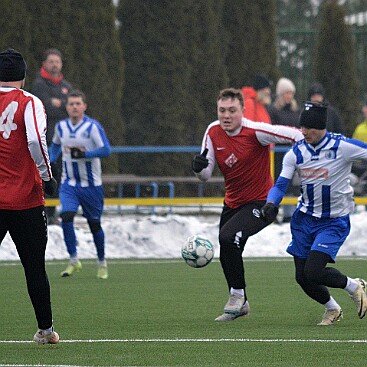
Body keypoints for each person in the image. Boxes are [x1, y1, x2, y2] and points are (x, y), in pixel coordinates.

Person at [191, 88, 303, 321]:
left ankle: (238, 296)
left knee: (227, 238)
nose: (226, 116)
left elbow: (295, 135)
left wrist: (311, 150)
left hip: (262, 202)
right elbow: (205, 174)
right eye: (222, 110)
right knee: (228, 251)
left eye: (232, 110)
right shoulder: (212, 131)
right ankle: (241, 304)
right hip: (232, 202)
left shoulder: (257, 132)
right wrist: (199, 167)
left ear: (242, 111)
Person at [261, 101, 367, 326]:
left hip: (333, 222)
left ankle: (354, 287)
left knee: (313, 271)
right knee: (302, 277)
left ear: (322, 127)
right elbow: (280, 184)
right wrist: (271, 203)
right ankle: (332, 309)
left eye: (310, 128)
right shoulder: (297, 152)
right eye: (302, 127)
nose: (304, 132)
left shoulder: (342, 147)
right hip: (304, 220)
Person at [0, 48, 59, 343]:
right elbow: (36, 139)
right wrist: (47, 177)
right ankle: (46, 330)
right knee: (34, 266)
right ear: (22, 77)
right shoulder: (29, 102)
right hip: (25, 199)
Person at [49, 90, 111, 279]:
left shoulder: (92, 127)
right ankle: (74, 260)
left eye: (78, 104)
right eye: (71, 104)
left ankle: (101, 262)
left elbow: (106, 149)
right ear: (66, 107)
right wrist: (51, 161)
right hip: (69, 184)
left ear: (84, 106)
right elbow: (55, 145)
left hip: (91, 186)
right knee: (66, 216)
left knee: (94, 224)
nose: (74, 107)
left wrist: (86, 154)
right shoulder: (61, 127)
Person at [31, 48, 73, 225]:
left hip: (64, 140)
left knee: (61, 175)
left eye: (57, 61)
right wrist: (59, 106)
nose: (55, 65)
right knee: (45, 175)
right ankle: (43, 212)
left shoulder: (66, 86)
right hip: (45, 139)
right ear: (44, 64)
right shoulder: (39, 85)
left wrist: (60, 104)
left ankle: (53, 212)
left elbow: (70, 108)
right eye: (51, 61)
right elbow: (45, 108)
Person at [268, 77, 300, 222]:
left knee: (292, 187)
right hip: (278, 155)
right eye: (286, 93)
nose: (289, 96)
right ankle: (272, 211)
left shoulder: (296, 111)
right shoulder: (274, 111)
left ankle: (289, 215)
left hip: (292, 154)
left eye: (291, 93)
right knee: (278, 183)